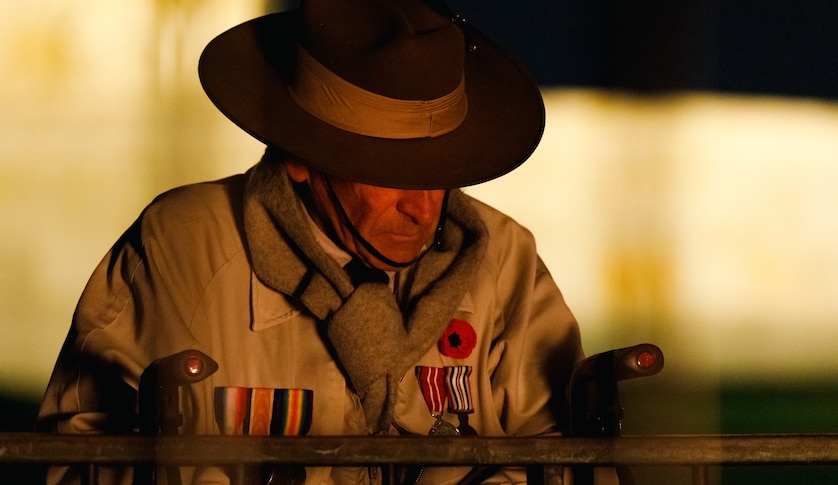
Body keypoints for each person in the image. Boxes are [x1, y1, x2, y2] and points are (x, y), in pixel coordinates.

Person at [38, 0, 616, 484]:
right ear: (300, 159)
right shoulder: (183, 252)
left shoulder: (505, 266)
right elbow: (82, 456)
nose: (423, 207)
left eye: (441, 170)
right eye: (388, 171)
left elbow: (561, 461)